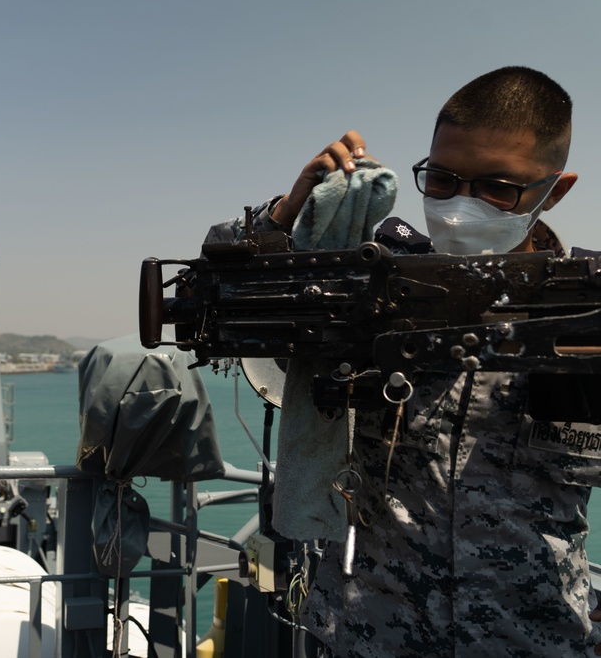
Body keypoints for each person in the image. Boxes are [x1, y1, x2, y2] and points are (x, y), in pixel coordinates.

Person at [240, 66, 599, 655]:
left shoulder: (585, 311)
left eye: (497, 187)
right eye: (442, 180)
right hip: (370, 632)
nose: (462, 205)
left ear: (554, 190)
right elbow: (225, 305)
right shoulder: (368, 286)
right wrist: (286, 215)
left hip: (529, 636)